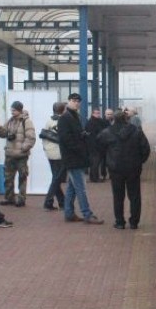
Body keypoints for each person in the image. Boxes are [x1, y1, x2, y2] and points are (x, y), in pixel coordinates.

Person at [96, 109, 151, 230]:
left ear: (114, 119)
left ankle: (120, 222)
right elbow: (146, 149)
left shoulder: (107, 132)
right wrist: (139, 161)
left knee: (118, 196)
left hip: (115, 169)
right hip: (133, 168)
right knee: (135, 196)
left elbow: (99, 146)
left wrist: (108, 161)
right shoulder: (136, 131)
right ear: (127, 118)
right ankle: (134, 222)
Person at [56, 93, 104, 225]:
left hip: (76, 158)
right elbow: (66, 139)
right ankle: (87, 214)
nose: (76, 103)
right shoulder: (65, 118)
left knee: (72, 188)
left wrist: (83, 137)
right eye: (74, 100)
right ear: (68, 101)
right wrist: (81, 147)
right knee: (81, 188)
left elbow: (74, 135)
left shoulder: (74, 116)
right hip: (73, 158)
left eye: (78, 101)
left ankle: (69, 213)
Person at [0, 101, 36, 207]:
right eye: (11, 110)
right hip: (9, 154)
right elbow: (3, 134)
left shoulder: (27, 121)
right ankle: (9, 198)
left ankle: (21, 199)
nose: (12, 112)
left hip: (21, 156)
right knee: (8, 177)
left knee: (22, 177)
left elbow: (31, 137)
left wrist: (23, 148)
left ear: (20, 110)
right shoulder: (10, 121)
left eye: (14, 110)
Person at [41, 101, 67, 211]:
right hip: (60, 153)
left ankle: (62, 202)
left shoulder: (49, 121)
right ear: (63, 110)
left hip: (49, 152)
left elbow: (44, 136)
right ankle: (48, 201)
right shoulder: (63, 121)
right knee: (57, 178)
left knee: (55, 177)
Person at [85, 108, 109, 182]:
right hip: (95, 145)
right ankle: (95, 178)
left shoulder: (95, 121)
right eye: (96, 113)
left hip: (95, 145)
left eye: (98, 113)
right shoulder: (91, 123)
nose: (98, 114)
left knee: (94, 162)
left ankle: (93, 177)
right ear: (92, 114)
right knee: (95, 162)